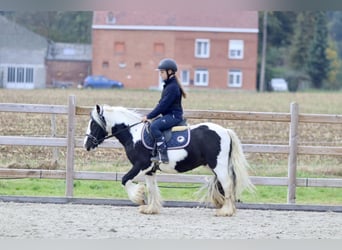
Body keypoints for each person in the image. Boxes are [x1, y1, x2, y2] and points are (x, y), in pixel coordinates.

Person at [142, 58, 187, 164]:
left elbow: (162, 106)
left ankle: (163, 155)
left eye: (162, 72)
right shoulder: (169, 85)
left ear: (170, 72)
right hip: (169, 115)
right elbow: (161, 103)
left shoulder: (172, 87)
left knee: (154, 126)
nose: (160, 75)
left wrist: (148, 116)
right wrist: (151, 116)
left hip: (174, 116)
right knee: (154, 124)